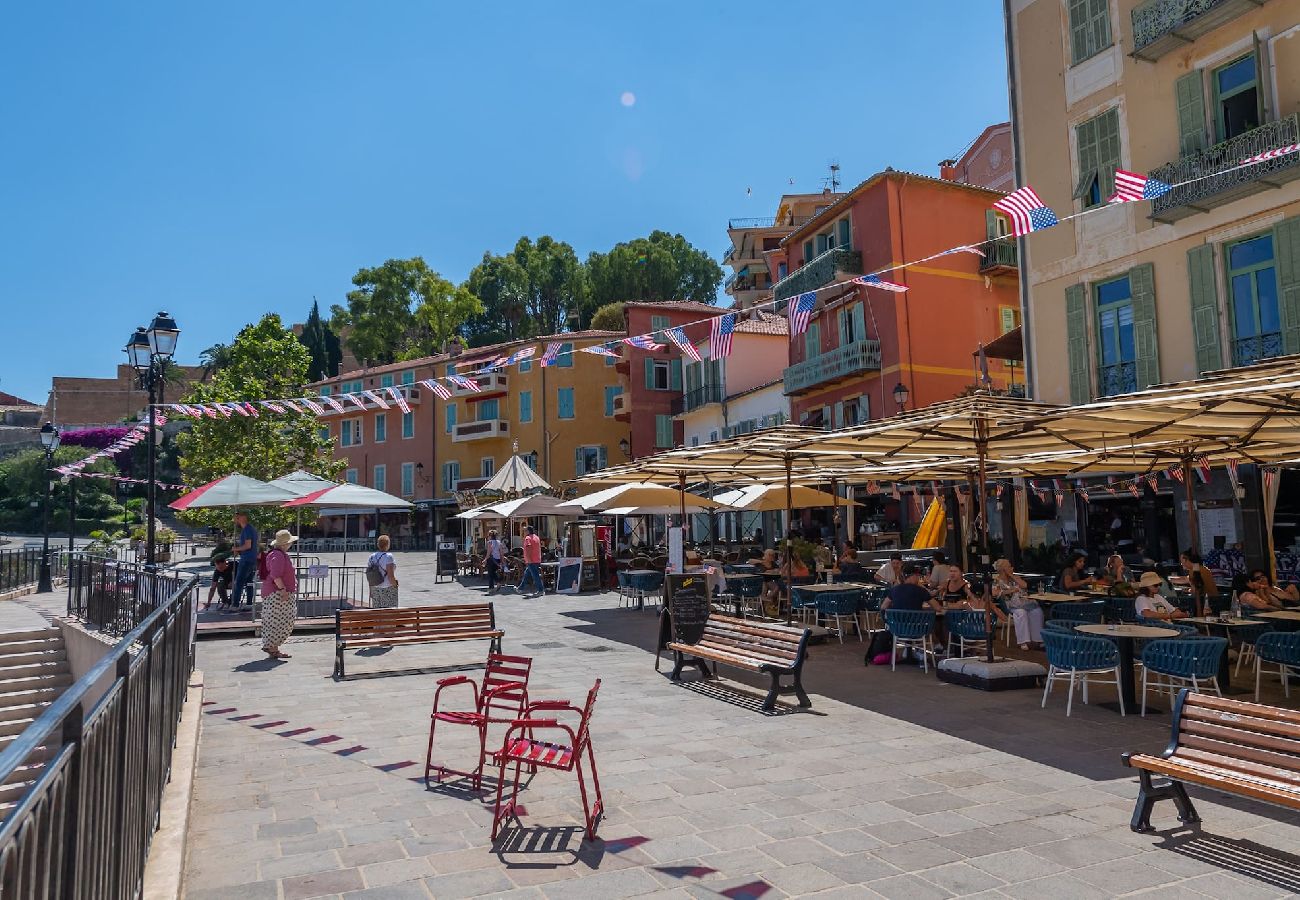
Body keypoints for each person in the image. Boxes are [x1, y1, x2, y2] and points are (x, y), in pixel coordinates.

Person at [260, 530, 298, 660]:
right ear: (285, 544)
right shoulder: (278, 556)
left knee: (277, 620)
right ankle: (271, 646)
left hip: (276, 592)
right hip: (277, 593)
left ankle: (273, 648)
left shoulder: (278, 554)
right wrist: (283, 590)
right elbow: (276, 575)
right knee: (281, 620)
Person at [992, 557, 1043, 650]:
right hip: (1009, 605)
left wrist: (1011, 576)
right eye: (1009, 566)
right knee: (1021, 613)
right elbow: (995, 593)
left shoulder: (1014, 577)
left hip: (1022, 602)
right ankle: (1023, 641)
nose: (1012, 568)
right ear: (1003, 569)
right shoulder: (997, 580)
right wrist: (1010, 590)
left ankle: (1038, 640)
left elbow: (1024, 585)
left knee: (1037, 611)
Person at [226, 511, 258, 612]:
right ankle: (249, 604)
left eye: (237, 517)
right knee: (249, 582)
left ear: (243, 517)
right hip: (251, 558)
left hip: (247, 559)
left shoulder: (247, 530)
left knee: (239, 582)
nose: (235, 519)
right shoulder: (249, 529)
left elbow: (248, 546)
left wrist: (236, 549)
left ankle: (235, 605)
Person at [1181, 549, 1220, 615]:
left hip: (1205, 603)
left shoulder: (1194, 571)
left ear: (1186, 560)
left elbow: (1196, 591)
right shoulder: (1204, 569)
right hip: (1216, 602)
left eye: (1182, 561)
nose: (1181, 564)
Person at [368, 535, 399, 608]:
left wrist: (371, 590)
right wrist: (395, 585)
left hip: (375, 588)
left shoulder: (372, 557)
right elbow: (390, 576)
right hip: (387, 587)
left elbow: (370, 576)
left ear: (378, 544)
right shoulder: (388, 557)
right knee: (389, 614)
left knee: (378, 613)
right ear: (387, 545)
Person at [206, 539, 233, 609]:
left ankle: (233, 601)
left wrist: (234, 581)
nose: (220, 569)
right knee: (219, 584)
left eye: (221, 567)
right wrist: (209, 602)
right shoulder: (217, 571)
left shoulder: (234, 565)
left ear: (225, 563)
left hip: (237, 582)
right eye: (218, 568)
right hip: (227, 583)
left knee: (236, 585)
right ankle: (225, 601)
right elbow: (212, 588)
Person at [517, 526, 544, 597]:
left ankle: (541, 590)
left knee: (535, 576)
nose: (524, 532)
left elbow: (528, 547)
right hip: (537, 559)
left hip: (531, 560)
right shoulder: (537, 537)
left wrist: (528, 559)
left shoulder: (527, 538)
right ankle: (520, 588)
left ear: (528, 531)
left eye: (525, 531)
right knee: (526, 574)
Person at [483, 529, 504, 595]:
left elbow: (489, 552)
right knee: (493, 572)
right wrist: (502, 560)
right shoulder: (499, 542)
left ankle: (492, 587)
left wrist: (485, 559)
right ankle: (497, 583)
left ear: (490, 536)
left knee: (490, 574)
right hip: (497, 560)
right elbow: (501, 553)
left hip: (491, 559)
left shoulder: (489, 542)